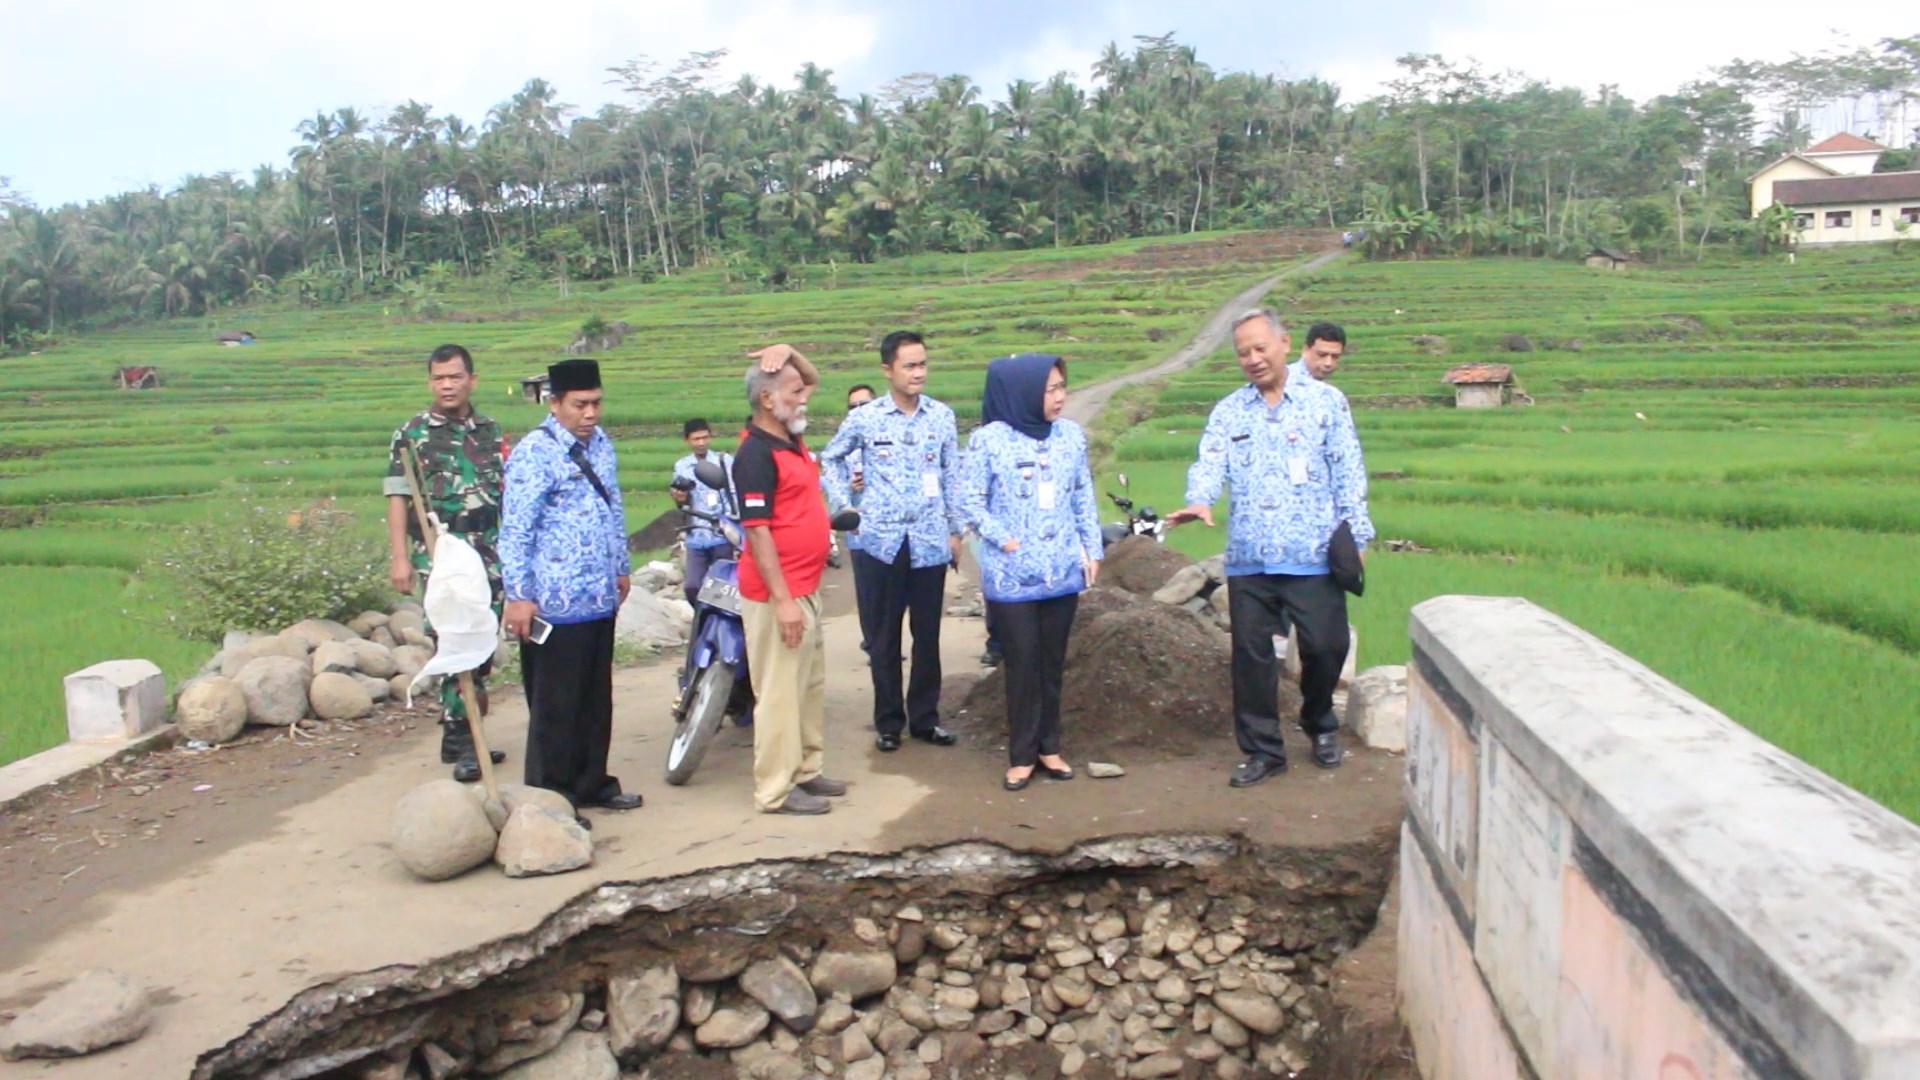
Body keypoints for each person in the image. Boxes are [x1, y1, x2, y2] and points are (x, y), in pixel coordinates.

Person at [1168, 310, 1373, 785]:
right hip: (1250, 559)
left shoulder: (1326, 403)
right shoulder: (1229, 411)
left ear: (1284, 344)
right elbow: (1209, 461)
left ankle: (1319, 720)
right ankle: (1264, 751)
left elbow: (1348, 472)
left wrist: (1358, 534)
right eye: (1243, 353)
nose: (1253, 359)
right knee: (1252, 658)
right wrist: (1198, 499)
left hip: (1314, 555)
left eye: (1261, 348)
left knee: (1327, 646)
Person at [499, 358, 643, 816]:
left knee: (595, 698)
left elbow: (614, 507)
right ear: (555, 402)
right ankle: (550, 800)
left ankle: (593, 782)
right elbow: (516, 531)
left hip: (598, 596)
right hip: (553, 604)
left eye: (597, 403)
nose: (590, 414)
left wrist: (621, 566)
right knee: (555, 707)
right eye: (580, 405)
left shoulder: (602, 445)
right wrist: (519, 595)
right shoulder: (534, 454)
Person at [959, 354, 1102, 791]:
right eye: (1051, 389)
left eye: (1063, 387)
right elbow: (969, 499)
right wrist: (1003, 539)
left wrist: (1092, 548)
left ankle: (1050, 748)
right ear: (1024, 392)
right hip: (1012, 574)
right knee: (1021, 665)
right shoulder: (990, 441)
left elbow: (1083, 497)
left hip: (1060, 569)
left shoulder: (1070, 437)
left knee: (1052, 663)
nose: (1061, 397)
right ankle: (1021, 755)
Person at [820, 331, 964, 753]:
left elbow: (952, 474)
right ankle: (888, 722)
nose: (918, 373)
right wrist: (846, 506)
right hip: (880, 539)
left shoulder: (941, 417)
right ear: (888, 370)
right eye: (909, 366)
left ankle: (925, 719)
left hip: (928, 538)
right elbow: (830, 457)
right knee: (884, 637)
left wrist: (954, 530)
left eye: (923, 364)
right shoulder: (867, 418)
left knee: (928, 633)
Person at [731, 343, 849, 815]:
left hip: (806, 586)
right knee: (779, 694)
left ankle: (807, 771)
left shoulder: (789, 437)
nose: (805, 397)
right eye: (792, 392)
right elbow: (757, 532)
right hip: (777, 594)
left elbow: (813, 378)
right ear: (766, 399)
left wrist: (792, 353)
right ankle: (776, 791)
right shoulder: (756, 454)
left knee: (809, 685)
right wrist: (782, 601)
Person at [383, 343, 508, 783]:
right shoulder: (412, 434)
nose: (447, 385)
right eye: (439, 378)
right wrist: (401, 558)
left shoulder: (490, 431)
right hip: (441, 548)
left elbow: (506, 491)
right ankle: (463, 738)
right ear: (430, 382)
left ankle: (463, 728)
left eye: (455, 376)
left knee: (484, 637)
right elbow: (398, 497)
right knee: (455, 637)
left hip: (487, 546)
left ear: (472, 379)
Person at [672, 418, 734, 607]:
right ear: (687, 441)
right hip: (696, 534)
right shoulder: (682, 466)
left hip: (722, 533)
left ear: (710, 437)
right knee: (692, 586)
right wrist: (679, 498)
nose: (701, 443)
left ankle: (721, 627)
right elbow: (679, 501)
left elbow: (734, 493)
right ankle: (702, 619)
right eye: (696, 439)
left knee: (722, 586)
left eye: (705, 438)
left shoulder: (724, 461)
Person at [839, 384, 877, 652]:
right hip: (859, 530)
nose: (858, 411)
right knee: (867, 593)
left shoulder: (892, 436)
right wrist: (848, 490)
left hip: (891, 529)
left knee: (892, 594)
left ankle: (886, 639)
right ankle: (875, 642)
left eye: (864, 405)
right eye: (853, 407)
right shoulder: (843, 446)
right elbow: (830, 485)